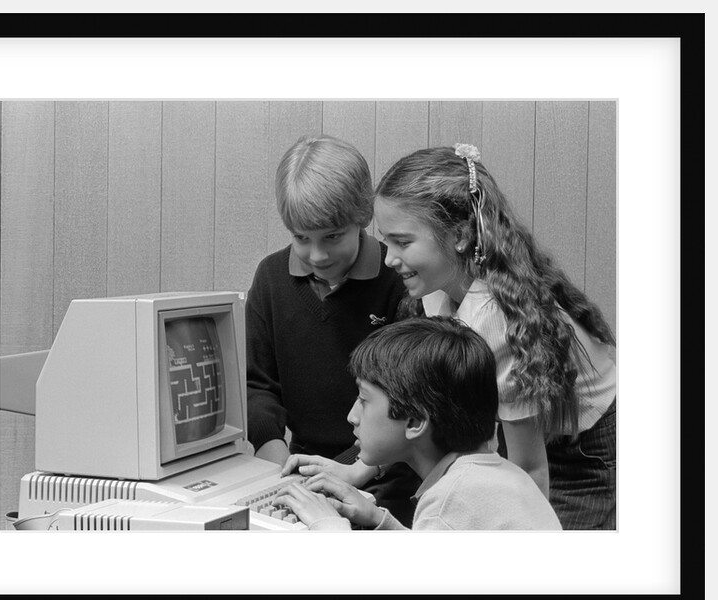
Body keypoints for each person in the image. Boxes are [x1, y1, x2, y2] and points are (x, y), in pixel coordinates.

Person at [365, 144, 616, 530]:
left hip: (584, 452)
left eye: (403, 242)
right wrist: (358, 472)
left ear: (461, 236)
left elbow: (528, 477)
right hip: (531, 441)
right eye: (386, 242)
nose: (389, 259)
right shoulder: (436, 289)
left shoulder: (495, 320)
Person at [246, 134, 419, 524]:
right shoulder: (271, 277)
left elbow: (410, 402)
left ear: (362, 218)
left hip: (388, 472)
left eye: (333, 237)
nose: (317, 255)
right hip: (302, 466)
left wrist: (351, 471)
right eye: (301, 239)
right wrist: (281, 468)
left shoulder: (399, 281)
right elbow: (257, 385)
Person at [274, 317, 562, 530]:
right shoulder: (499, 477)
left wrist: (329, 527)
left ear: (414, 422)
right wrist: (379, 520)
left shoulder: (450, 500)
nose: (352, 416)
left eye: (363, 400)